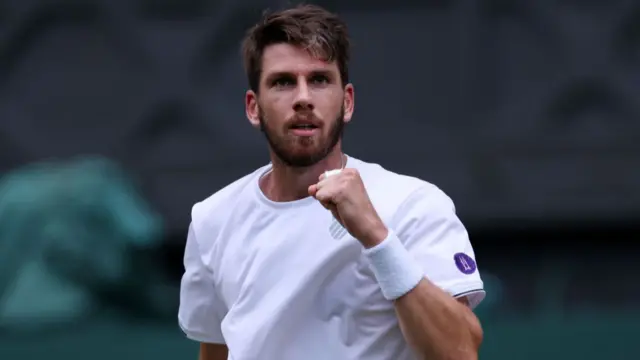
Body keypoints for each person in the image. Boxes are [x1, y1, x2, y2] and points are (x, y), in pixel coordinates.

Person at [178, 4, 485, 360]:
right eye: (283, 82)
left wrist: (376, 237)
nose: (303, 98)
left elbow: (460, 352)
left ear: (347, 102)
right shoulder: (211, 219)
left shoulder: (413, 204)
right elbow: (216, 350)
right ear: (253, 107)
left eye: (320, 79)